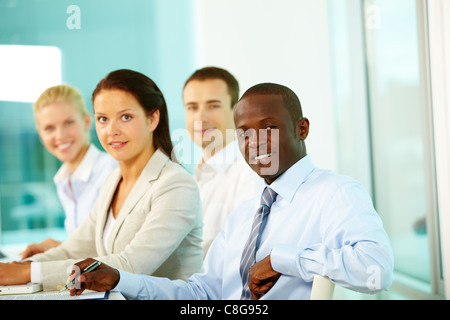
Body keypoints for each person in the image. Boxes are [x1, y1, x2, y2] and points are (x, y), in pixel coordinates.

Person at [68, 82, 394, 300]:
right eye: (244, 133)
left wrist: (283, 259)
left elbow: (376, 270)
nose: (255, 143)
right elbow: (202, 293)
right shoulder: (245, 214)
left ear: (302, 128)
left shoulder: (335, 193)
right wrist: (120, 280)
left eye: (269, 127)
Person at [0, 69, 203, 291]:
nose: (111, 130)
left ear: (152, 118)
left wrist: (29, 272)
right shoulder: (114, 181)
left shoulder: (175, 184)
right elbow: (73, 249)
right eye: (103, 119)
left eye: (126, 117)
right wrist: (17, 267)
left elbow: (130, 265)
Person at [19, 84, 118, 259]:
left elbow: (117, 250)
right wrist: (58, 248)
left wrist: (59, 248)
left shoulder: (111, 169)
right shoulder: (63, 181)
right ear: (40, 134)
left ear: (87, 121)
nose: (60, 135)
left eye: (68, 123)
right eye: (49, 128)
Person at [182, 67, 261, 255]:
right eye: (192, 107)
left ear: (237, 111)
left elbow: (243, 253)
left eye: (213, 106)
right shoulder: (196, 176)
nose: (200, 117)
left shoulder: (251, 172)